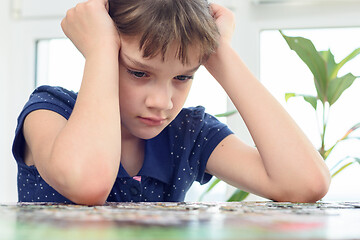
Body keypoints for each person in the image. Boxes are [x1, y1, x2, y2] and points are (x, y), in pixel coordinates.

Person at [12, 0, 330, 205]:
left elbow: (306, 183)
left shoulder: (188, 132)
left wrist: (220, 54)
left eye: (183, 77)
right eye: (138, 72)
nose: (162, 102)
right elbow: (87, 182)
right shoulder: (49, 110)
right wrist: (100, 49)